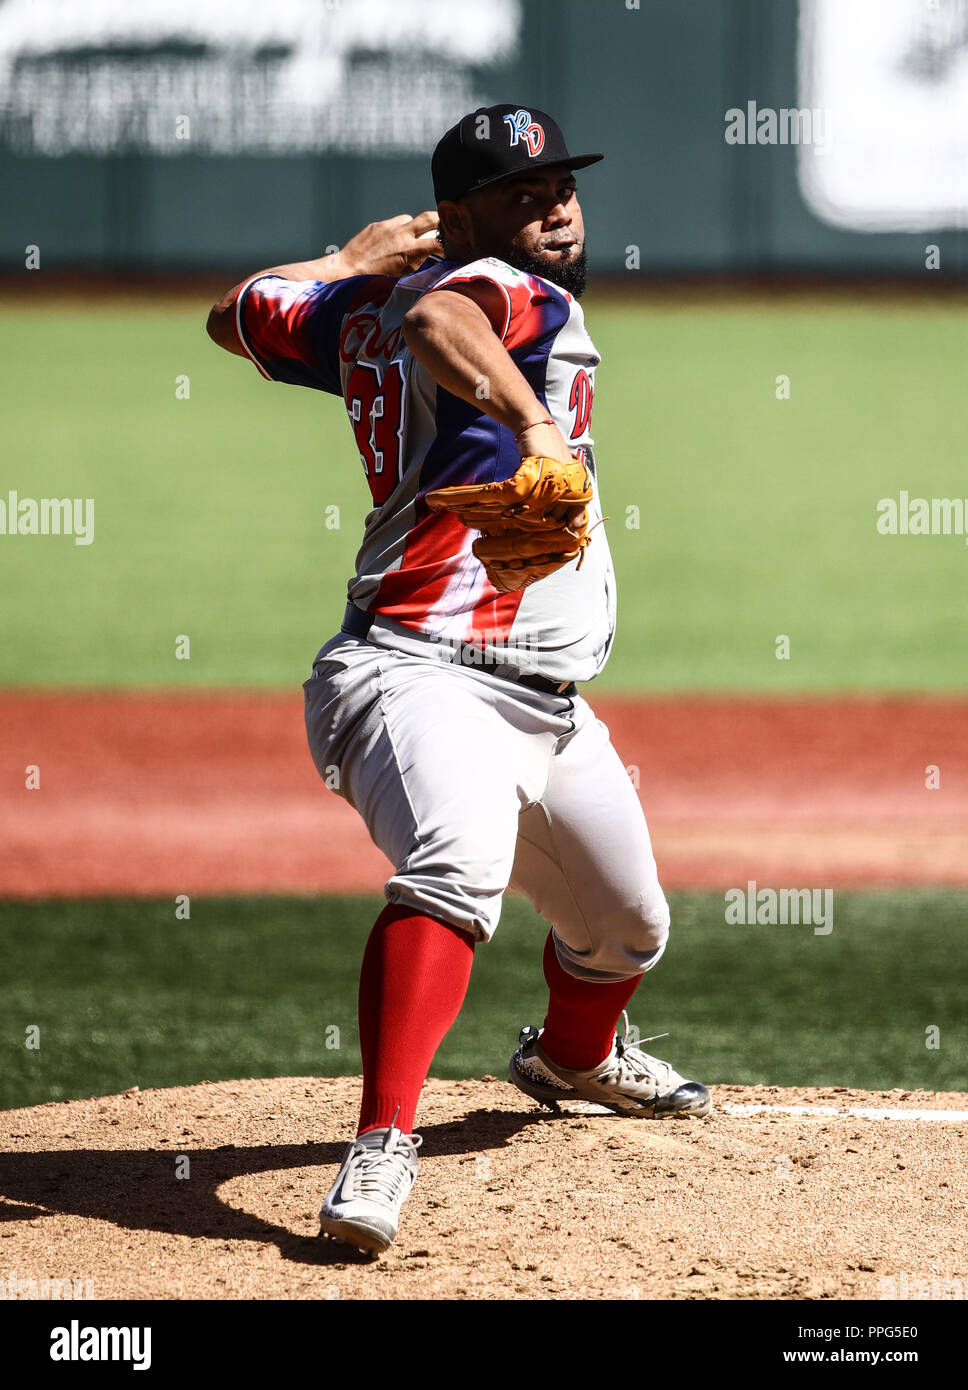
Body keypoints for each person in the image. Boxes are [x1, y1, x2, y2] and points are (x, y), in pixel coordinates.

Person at [206, 104, 710, 1258]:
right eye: (524, 192)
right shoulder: (498, 293)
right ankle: (381, 1142)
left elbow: (231, 317)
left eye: (561, 184)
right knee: (455, 868)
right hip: (412, 675)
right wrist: (534, 421)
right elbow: (442, 311)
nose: (556, 204)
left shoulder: (353, 310)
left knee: (626, 928)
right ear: (463, 215)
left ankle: (573, 1057)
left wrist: (342, 263)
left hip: (539, 700)